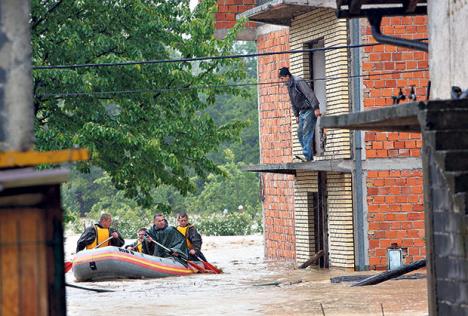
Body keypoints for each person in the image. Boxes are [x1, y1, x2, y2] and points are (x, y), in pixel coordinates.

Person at [278, 66, 321, 161]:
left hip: (310, 109)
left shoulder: (298, 81)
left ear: (287, 76)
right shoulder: (289, 85)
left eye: (282, 79)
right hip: (301, 111)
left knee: (307, 132)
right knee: (300, 133)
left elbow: (310, 94)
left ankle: (307, 156)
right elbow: (293, 101)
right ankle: (308, 155)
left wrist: (316, 108)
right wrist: (296, 115)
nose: (282, 81)